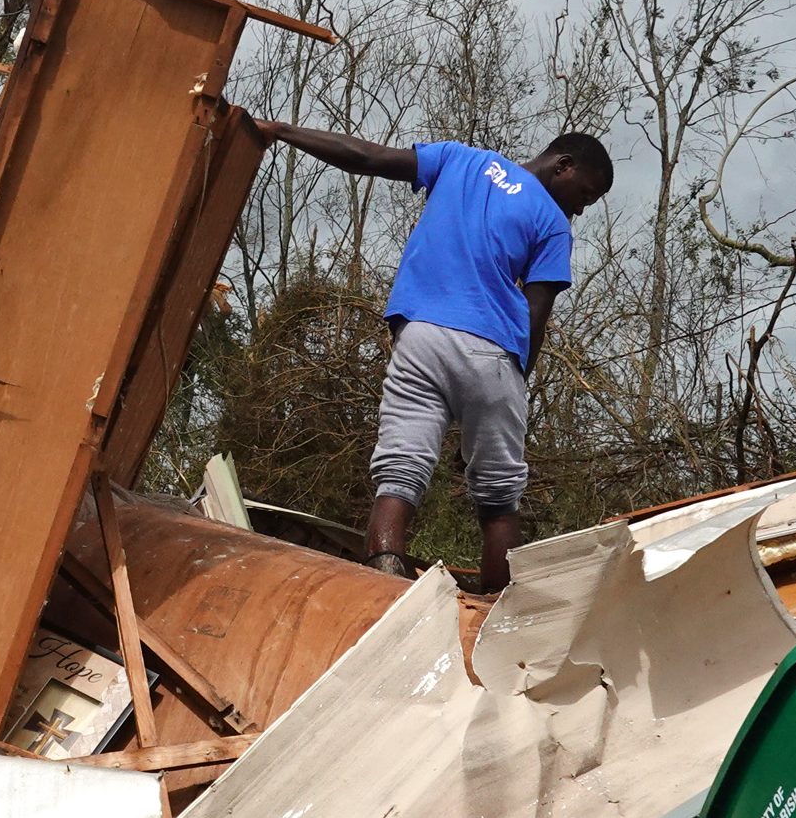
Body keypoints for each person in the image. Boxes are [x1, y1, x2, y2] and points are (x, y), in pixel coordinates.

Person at [250, 121, 613, 594]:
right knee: (499, 497)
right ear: (562, 165)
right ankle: (494, 610)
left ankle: (382, 580)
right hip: (493, 352)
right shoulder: (552, 224)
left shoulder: (460, 159)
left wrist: (277, 131)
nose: (579, 209)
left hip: (420, 338)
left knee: (400, 469)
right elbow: (535, 315)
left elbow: (364, 155)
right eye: (583, 195)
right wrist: (509, 392)